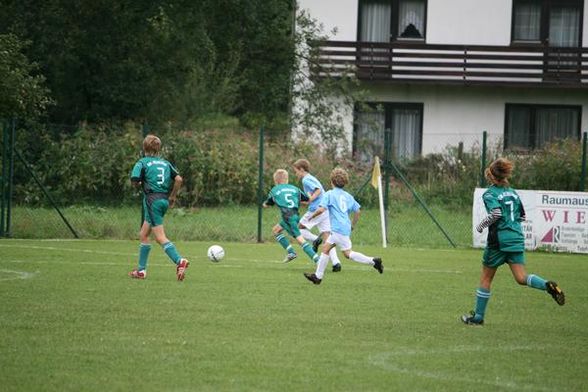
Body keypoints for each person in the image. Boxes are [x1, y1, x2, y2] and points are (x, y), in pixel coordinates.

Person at [461, 158, 565, 325]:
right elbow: (522, 216)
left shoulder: (490, 193)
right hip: (516, 237)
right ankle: (547, 285)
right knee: (521, 277)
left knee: (486, 279)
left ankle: (478, 317)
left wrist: (481, 226)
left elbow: (496, 214)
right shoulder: (513, 193)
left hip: (499, 241)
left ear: (491, 176)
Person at [303, 168, 383, 285]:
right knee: (347, 254)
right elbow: (358, 211)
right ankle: (374, 261)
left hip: (337, 229)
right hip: (344, 228)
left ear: (331, 181)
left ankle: (318, 277)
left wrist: (311, 217)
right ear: (345, 182)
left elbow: (321, 209)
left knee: (326, 249)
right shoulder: (348, 196)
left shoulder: (329, 194)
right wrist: (352, 225)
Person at [128, 134, 190, 281]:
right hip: (163, 200)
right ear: (158, 148)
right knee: (143, 234)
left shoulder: (142, 162)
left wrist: (139, 184)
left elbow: (134, 180)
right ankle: (141, 271)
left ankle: (179, 261)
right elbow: (179, 179)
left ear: (144, 148)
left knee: (160, 237)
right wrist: (173, 196)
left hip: (152, 201)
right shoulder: (165, 163)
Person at [292, 159, 342, 272]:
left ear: (301, 169)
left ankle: (315, 239)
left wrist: (310, 199)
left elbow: (318, 190)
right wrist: (305, 201)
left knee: (297, 229)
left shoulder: (306, 179)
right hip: (324, 209)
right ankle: (336, 263)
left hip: (316, 210)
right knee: (327, 238)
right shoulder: (311, 178)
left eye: (296, 171)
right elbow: (315, 193)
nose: (296, 174)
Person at [262, 169, 320, 264]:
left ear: (276, 181)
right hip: (295, 215)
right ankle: (291, 252)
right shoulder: (295, 189)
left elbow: (269, 202)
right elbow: (307, 199)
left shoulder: (275, 190)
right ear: (287, 179)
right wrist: (309, 196)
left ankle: (318, 260)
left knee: (300, 240)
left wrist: (265, 204)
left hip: (288, 217)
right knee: (276, 230)